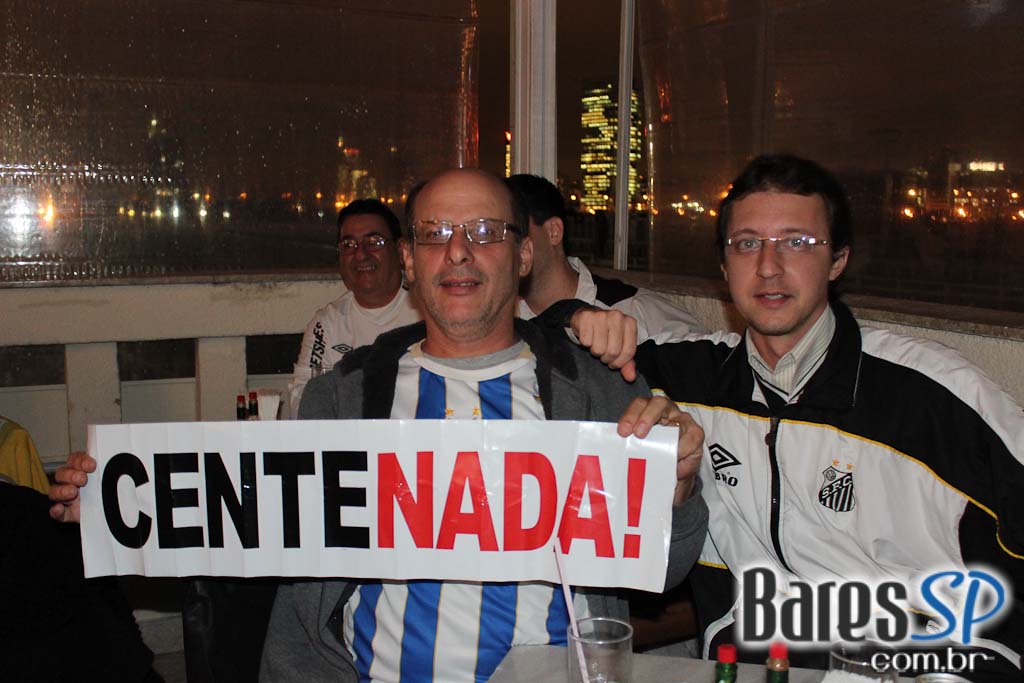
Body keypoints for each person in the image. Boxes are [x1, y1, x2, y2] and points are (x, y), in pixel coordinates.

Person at [556, 154, 1024, 679]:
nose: (769, 266)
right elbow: (522, 345)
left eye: (798, 242)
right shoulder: (689, 380)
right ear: (724, 264)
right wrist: (575, 316)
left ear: (838, 260)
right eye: (748, 243)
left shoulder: (936, 396)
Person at [260, 168, 708, 681]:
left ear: (523, 256)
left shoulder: (602, 389)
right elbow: (301, 605)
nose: (457, 252)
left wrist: (677, 485)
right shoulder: (340, 399)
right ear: (408, 259)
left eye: (485, 232)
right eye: (435, 233)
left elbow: (665, 570)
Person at [507, 173, 703, 343]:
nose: (500, 247)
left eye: (513, 231)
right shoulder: (498, 321)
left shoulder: (632, 311)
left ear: (553, 232)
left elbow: (715, 365)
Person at [287, 198, 421, 416]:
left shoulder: (426, 314)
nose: (360, 254)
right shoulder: (327, 324)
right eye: (348, 245)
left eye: (374, 242)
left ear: (400, 251)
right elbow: (303, 405)